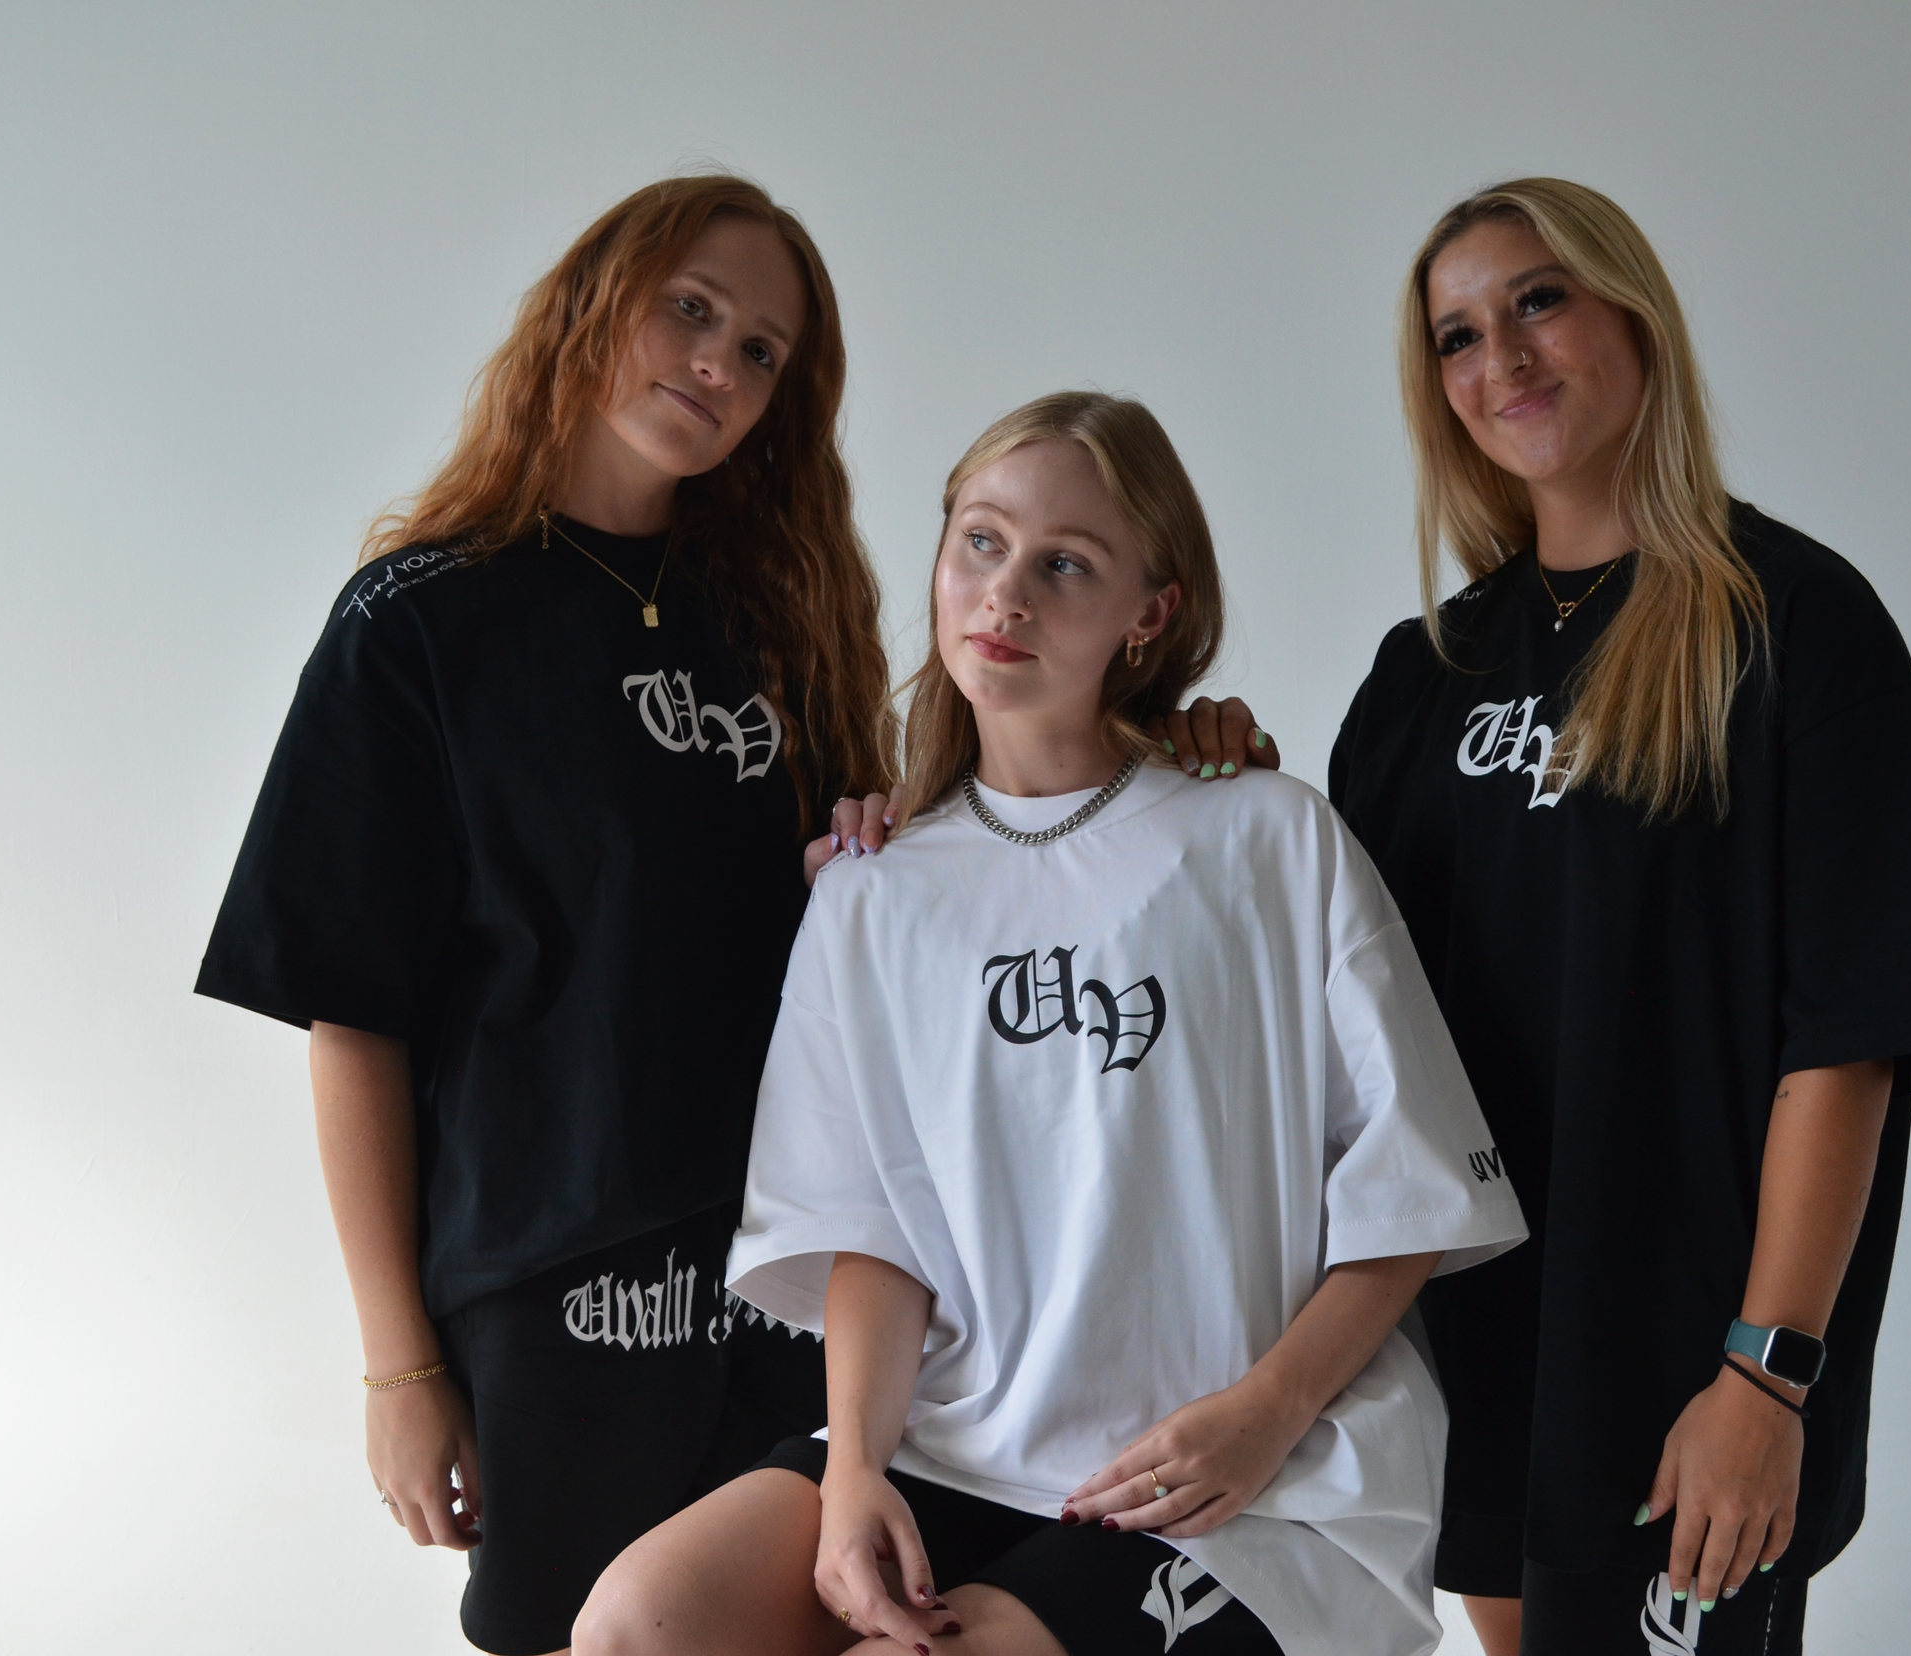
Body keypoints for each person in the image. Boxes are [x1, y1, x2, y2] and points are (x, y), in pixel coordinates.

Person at [571, 390, 1527, 1656]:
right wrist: (851, 1472)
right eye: (981, 541)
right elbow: (869, 1226)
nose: (1006, 592)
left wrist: (1267, 1410)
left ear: (1152, 614)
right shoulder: (874, 890)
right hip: (955, 1440)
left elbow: (1413, 1193)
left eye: (1064, 563)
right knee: (636, 1624)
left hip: (1240, 1476)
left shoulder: (1261, 837)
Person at [194, 175, 909, 1656]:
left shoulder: (786, 619)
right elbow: (354, 1013)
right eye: (692, 310)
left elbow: (903, 904)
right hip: (559, 1278)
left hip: (805, 1256)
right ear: (592, 305)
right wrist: (400, 1368)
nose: (719, 363)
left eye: (763, 351)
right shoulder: (417, 626)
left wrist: (1183, 738)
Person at [1297, 178, 1911, 1653]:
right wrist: (1204, 761)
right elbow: (1324, 1002)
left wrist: (1766, 1374)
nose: (1506, 358)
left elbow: (1850, 1042)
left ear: (1634, 313)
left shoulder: (1794, 623)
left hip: (1689, 1356)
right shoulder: (1427, 674)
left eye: (1540, 299)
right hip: (1468, 1344)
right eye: (1460, 334)